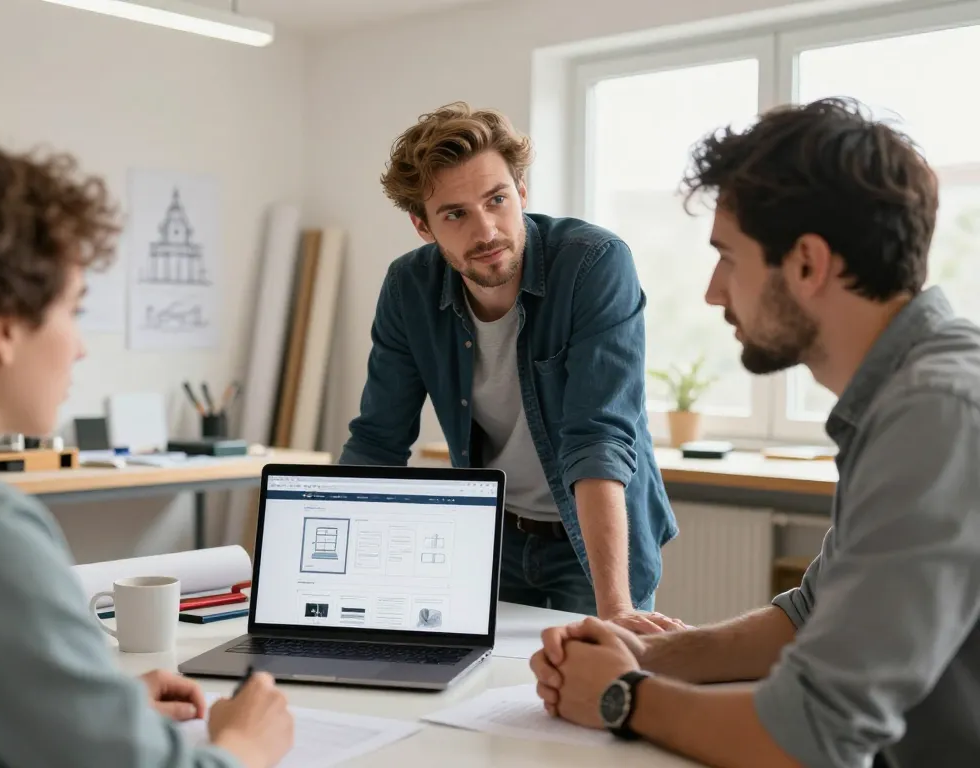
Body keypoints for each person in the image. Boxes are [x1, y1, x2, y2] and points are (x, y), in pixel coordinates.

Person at [529, 97, 980, 768]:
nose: (713, 292)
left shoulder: (937, 412)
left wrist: (624, 695)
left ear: (806, 263)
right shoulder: (905, 394)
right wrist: (646, 652)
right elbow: (807, 614)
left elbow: (813, 737)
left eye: (728, 258)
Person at [0, 139, 294, 768]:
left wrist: (93, 706)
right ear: (3, 330)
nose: (80, 348)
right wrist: (244, 747)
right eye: (73, 311)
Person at [338, 102, 679, 630]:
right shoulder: (409, 288)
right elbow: (378, 442)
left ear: (521, 192)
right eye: (455, 214)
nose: (486, 230)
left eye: (497, 199)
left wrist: (615, 609)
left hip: (590, 544)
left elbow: (599, 439)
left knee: (596, 693)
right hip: (488, 538)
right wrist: (326, 579)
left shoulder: (594, 263)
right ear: (422, 225)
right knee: (475, 695)